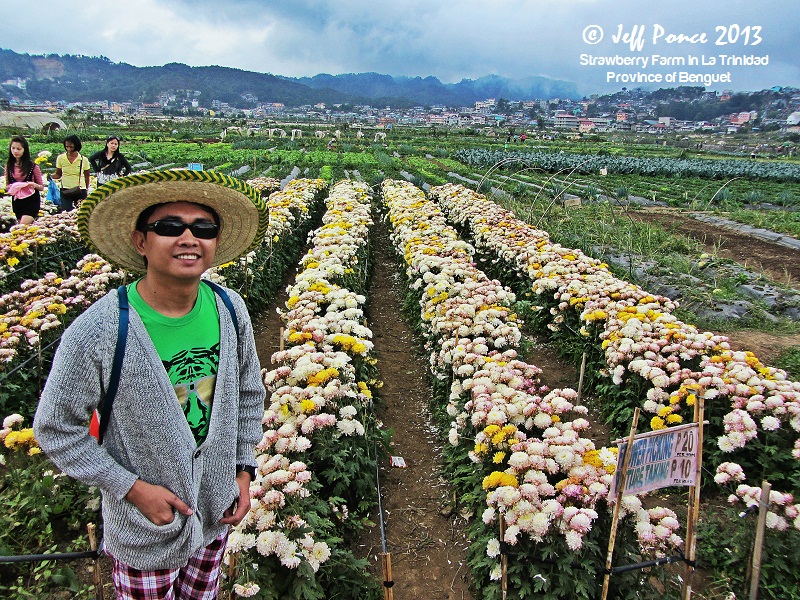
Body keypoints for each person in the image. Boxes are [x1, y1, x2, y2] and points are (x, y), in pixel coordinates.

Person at [34, 170, 269, 599]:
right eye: (168, 227)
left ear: (215, 241)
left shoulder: (230, 309)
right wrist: (131, 489)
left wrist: (242, 468)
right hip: (146, 529)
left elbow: (250, 394)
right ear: (140, 241)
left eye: (203, 228)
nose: (188, 238)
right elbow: (55, 429)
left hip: (215, 512)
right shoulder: (101, 330)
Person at [5, 135, 45, 225]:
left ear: (24, 150)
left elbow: (41, 187)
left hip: (31, 201)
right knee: (21, 231)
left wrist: (34, 185)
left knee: (22, 226)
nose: (15, 151)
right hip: (17, 201)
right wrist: (12, 187)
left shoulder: (33, 167)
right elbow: (8, 185)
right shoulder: (9, 166)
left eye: (18, 149)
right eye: (13, 148)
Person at [54, 134, 91, 212]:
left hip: (80, 189)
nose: (68, 149)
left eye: (71, 147)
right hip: (65, 189)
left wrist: (86, 189)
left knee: (81, 211)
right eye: (67, 147)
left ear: (76, 146)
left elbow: (87, 176)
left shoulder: (83, 160)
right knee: (66, 212)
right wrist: (49, 177)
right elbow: (58, 174)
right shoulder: (61, 158)